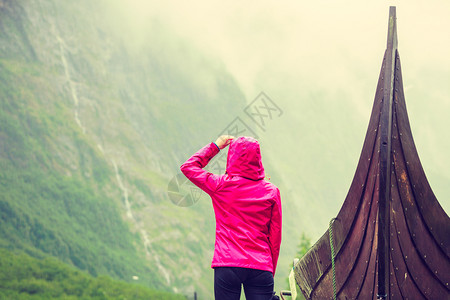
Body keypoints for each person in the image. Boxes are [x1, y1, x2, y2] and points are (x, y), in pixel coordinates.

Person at [180, 135, 282, 300]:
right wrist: (269, 269)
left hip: (227, 263)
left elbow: (188, 167)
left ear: (232, 156)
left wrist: (216, 146)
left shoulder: (220, 185)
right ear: (258, 158)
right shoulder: (271, 191)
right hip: (261, 265)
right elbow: (275, 236)